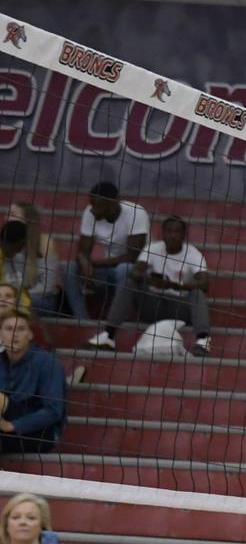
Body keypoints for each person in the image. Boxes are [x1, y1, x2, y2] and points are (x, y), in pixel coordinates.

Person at [92, 214, 212, 355]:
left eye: (177, 232)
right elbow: (135, 272)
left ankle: (203, 340)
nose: (172, 236)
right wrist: (150, 280)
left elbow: (204, 284)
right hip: (152, 304)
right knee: (129, 282)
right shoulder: (153, 248)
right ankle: (108, 335)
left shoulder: (193, 254)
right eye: (169, 231)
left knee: (197, 293)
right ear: (163, 233)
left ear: (184, 235)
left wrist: (175, 285)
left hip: (178, 308)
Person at [60, 181, 147, 323]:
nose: (94, 210)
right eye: (92, 205)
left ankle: (117, 320)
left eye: (99, 206)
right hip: (107, 269)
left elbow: (133, 256)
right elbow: (83, 251)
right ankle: (81, 320)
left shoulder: (136, 212)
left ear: (114, 202)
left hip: (137, 270)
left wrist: (95, 263)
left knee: (125, 269)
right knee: (69, 268)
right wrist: (84, 262)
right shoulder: (90, 212)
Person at [0, 310, 65, 453]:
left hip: (39, 433)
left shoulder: (48, 363)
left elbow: (54, 411)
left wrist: (13, 425)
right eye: (9, 329)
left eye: (21, 329)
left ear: (30, 335)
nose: (14, 334)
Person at [1, 205, 59, 314]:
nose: (6, 218)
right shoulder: (7, 250)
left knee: (13, 303)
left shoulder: (44, 245)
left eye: (12, 214)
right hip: (15, 295)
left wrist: (20, 295)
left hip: (41, 298)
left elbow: (48, 286)